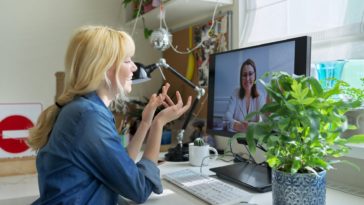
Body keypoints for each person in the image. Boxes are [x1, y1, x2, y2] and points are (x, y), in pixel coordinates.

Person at [28, 25, 192, 205]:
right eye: (128, 60)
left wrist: (146, 122)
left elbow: (121, 168)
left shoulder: (83, 108)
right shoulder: (88, 116)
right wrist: (159, 124)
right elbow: (139, 189)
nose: (134, 69)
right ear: (106, 68)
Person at [224, 58, 265, 132]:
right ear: (241, 77)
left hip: (254, 140)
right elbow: (226, 118)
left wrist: (249, 126)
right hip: (235, 139)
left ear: (255, 76)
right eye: (244, 75)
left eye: (250, 74)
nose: (247, 78)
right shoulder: (235, 93)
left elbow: (264, 123)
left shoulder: (261, 96)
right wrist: (238, 126)